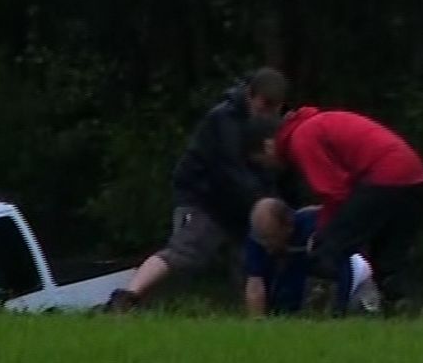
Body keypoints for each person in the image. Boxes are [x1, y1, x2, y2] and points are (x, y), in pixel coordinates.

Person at [104, 68, 288, 312]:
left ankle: (256, 318)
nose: (269, 112)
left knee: (249, 264)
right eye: (265, 104)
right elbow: (229, 169)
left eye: (275, 107)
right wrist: (262, 204)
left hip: (241, 205)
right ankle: (128, 297)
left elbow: (265, 168)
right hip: (205, 199)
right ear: (250, 95)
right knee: (184, 253)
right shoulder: (223, 119)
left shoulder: (264, 123)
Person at [246, 107, 423, 315]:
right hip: (414, 177)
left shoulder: (302, 138)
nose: (269, 168)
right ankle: (400, 311)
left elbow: (335, 193)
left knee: (326, 250)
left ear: (268, 145)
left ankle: (317, 316)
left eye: (262, 162)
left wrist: (322, 231)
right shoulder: (317, 125)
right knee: (388, 259)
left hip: (382, 176)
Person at [244, 198, 377, 317]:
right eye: (262, 241)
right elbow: (256, 283)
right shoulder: (260, 238)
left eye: (271, 238)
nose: (266, 247)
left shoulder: (317, 227)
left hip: (352, 276)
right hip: (304, 283)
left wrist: (337, 311)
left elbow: (341, 272)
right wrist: (258, 319)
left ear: (288, 226)